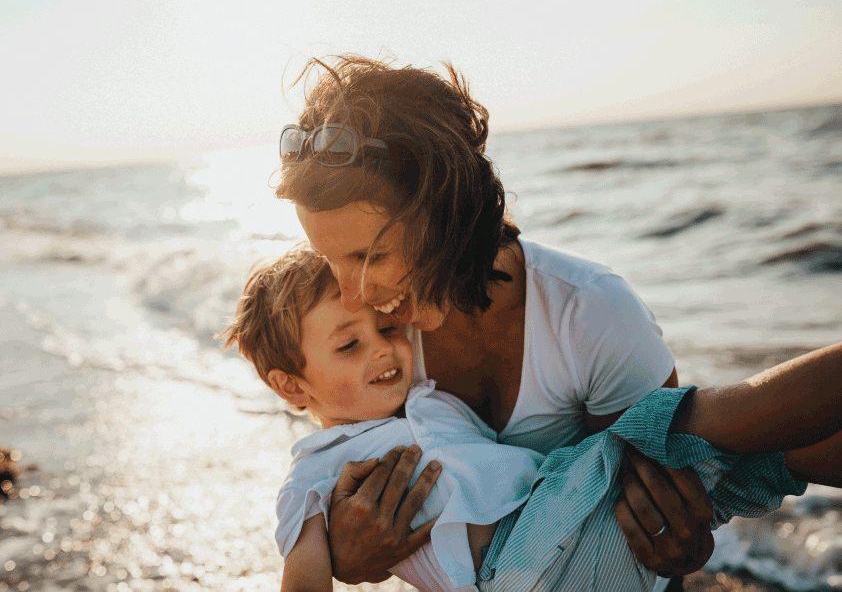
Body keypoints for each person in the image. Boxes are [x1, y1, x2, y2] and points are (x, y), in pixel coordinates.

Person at [272, 55, 831, 590]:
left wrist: (682, 547)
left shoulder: (590, 314)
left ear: (447, 213)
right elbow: (346, 471)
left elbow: (664, 504)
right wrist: (348, 556)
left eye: (369, 257)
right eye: (330, 260)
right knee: (735, 443)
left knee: (712, 446)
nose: (352, 294)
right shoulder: (376, 340)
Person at [219, 244, 841, 592]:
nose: (384, 348)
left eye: (387, 327)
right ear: (291, 385)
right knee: (686, 428)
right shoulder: (316, 470)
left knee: (759, 459)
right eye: (349, 346)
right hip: (520, 563)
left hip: (577, 542)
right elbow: (303, 576)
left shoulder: (428, 398)